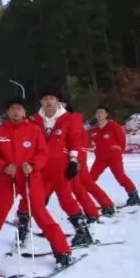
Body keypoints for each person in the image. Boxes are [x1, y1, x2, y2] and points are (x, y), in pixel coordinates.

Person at [0, 98, 75, 269]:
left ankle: (62, 250)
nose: (16, 112)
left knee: (40, 212)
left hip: (30, 177)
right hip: (7, 178)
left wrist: (33, 164)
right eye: (12, 109)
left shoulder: (34, 129)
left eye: (19, 109)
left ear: (24, 112)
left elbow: (42, 153)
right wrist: (3, 166)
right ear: (7, 112)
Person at [30, 90, 94, 247]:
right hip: (40, 167)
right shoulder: (34, 120)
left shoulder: (68, 119)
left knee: (66, 199)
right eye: (45, 98)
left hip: (60, 165)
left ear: (57, 101)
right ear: (41, 102)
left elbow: (75, 141)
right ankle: (27, 230)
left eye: (52, 98)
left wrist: (73, 161)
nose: (49, 101)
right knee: (34, 199)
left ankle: (83, 232)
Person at [62, 102, 116, 220]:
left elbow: (75, 139)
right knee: (84, 182)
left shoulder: (71, 120)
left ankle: (97, 209)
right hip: (76, 154)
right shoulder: (71, 120)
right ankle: (104, 205)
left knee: (79, 184)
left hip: (76, 154)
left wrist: (75, 158)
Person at [90, 105, 140, 205]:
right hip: (100, 158)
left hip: (114, 157)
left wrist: (117, 151)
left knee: (120, 176)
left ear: (106, 114)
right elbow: (87, 142)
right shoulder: (93, 130)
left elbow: (122, 140)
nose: (99, 114)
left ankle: (134, 196)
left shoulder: (113, 126)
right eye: (97, 112)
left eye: (101, 112)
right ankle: (84, 198)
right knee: (90, 178)